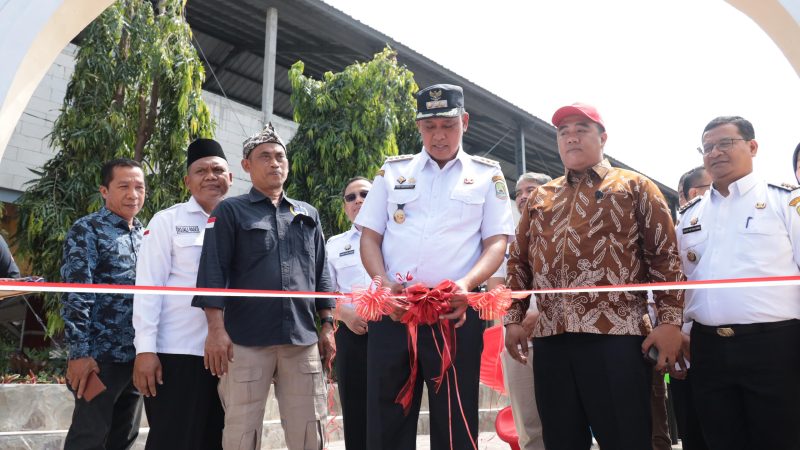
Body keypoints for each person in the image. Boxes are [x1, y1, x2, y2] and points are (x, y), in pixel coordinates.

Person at [504, 103, 684, 450]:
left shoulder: (635, 186)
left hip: (616, 335)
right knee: (560, 439)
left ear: (603, 138)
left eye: (581, 129)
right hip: (552, 338)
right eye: (563, 132)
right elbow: (519, 263)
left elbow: (665, 257)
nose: (571, 137)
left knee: (626, 437)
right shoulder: (541, 197)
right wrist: (513, 318)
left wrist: (670, 322)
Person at [356, 83, 515, 450]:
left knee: (455, 420)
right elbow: (370, 237)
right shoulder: (393, 171)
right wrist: (382, 283)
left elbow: (496, 242)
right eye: (429, 127)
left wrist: (467, 285)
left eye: (448, 125)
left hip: (453, 312)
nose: (439, 135)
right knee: (387, 418)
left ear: (465, 122)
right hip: (396, 311)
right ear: (418, 127)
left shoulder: (487, 175)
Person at [191, 123, 334, 450]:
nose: (274, 163)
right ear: (246, 165)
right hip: (246, 341)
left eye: (280, 157)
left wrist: (327, 325)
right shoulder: (230, 211)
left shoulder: (307, 214)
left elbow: (321, 274)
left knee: (310, 431)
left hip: (301, 340)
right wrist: (216, 331)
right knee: (241, 432)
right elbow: (212, 271)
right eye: (265, 157)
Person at [677, 116, 800, 450]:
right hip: (708, 349)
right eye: (707, 147)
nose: (715, 153)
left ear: (752, 146)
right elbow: (684, 282)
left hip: (775, 347)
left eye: (725, 143)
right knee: (720, 439)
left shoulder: (786, 201)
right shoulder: (690, 216)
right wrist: (684, 332)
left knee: (782, 439)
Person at [132, 139, 232, 449]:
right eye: (201, 171)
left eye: (218, 170)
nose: (211, 176)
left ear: (230, 178)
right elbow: (148, 289)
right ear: (187, 181)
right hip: (178, 354)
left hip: (232, 357)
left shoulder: (243, 221)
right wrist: (145, 350)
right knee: (173, 440)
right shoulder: (168, 221)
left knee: (219, 441)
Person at [60, 158, 146, 449]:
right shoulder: (87, 230)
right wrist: (79, 354)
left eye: (139, 187)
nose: (133, 194)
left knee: (124, 437)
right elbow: (76, 294)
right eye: (123, 186)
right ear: (104, 191)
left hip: (136, 356)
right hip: (100, 359)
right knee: (89, 437)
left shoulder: (145, 233)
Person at [491, 172, 551, 450]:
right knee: (528, 425)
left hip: (560, 337)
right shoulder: (505, 241)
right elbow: (496, 289)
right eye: (519, 192)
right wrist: (511, 321)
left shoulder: (567, 230)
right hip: (519, 342)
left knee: (565, 419)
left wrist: (542, 313)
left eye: (531, 189)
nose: (523, 196)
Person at [326, 176, 373, 450]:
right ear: (345, 206)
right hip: (351, 333)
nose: (358, 200)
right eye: (351, 197)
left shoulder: (396, 239)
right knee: (354, 409)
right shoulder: (334, 245)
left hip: (392, 332)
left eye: (365, 194)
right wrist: (345, 316)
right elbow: (325, 294)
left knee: (392, 406)